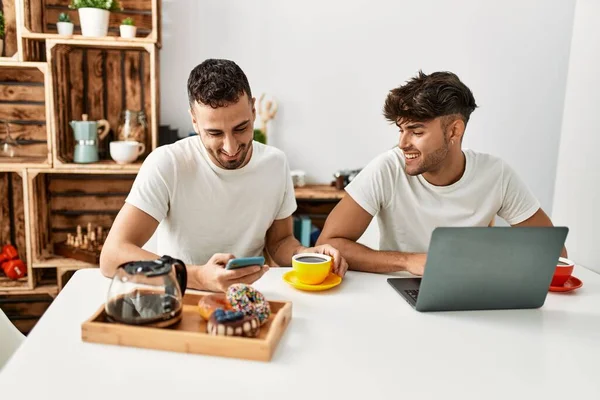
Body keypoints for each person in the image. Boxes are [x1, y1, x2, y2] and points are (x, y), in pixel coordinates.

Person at [100, 59, 347, 291]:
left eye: (241, 128)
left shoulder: (275, 163)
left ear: (253, 109)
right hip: (183, 294)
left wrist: (308, 255)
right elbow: (112, 257)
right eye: (215, 133)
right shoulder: (168, 163)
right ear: (195, 122)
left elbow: (280, 242)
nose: (231, 147)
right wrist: (197, 276)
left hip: (251, 298)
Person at [317, 70, 566, 276]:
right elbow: (328, 244)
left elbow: (554, 253)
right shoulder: (387, 168)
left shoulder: (496, 174)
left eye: (416, 131)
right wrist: (408, 262)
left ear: (454, 131)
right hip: (392, 294)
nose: (403, 143)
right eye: (400, 130)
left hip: (469, 293)